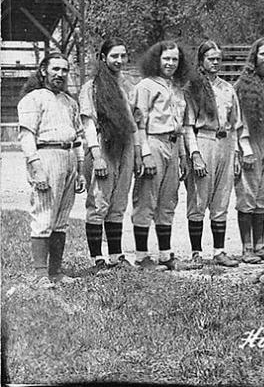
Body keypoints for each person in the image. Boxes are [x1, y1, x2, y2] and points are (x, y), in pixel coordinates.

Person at [18, 53, 87, 288]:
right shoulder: (32, 99)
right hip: (46, 155)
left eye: (64, 70)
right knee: (44, 215)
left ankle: (56, 271)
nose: (60, 74)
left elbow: (78, 137)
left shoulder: (70, 101)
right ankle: (40, 274)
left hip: (68, 156)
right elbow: (27, 136)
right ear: (43, 71)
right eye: (55, 69)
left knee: (61, 218)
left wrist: (80, 170)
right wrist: (36, 167)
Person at [131, 40, 191, 271]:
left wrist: (183, 155)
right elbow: (140, 123)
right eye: (166, 58)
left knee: (168, 201)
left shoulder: (176, 87)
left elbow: (183, 125)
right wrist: (144, 153)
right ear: (156, 59)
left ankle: (165, 254)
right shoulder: (145, 86)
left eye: (175, 59)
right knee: (146, 199)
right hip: (154, 142)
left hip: (174, 144)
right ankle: (141, 255)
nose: (170, 63)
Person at [79, 38, 137, 273]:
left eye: (123, 56)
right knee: (99, 202)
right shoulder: (91, 87)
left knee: (119, 201)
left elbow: (136, 120)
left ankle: (115, 255)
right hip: (103, 146)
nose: (119, 61)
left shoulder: (128, 85)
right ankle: (97, 259)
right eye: (114, 56)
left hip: (125, 145)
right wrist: (97, 155)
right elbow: (88, 123)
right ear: (103, 58)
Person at [183, 41, 242, 267]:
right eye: (210, 59)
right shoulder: (193, 88)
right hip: (203, 139)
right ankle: (196, 252)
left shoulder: (228, 89)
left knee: (221, 198)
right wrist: (195, 154)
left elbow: (235, 124)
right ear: (201, 61)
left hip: (225, 142)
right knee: (198, 199)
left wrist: (236, 154)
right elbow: (188, 125)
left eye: (218, 58)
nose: (215, 62)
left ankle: (219, 251)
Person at [234, 38, 264, 263]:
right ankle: (246, 248)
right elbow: (240, 119)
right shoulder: (244, 85)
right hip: (252, 141)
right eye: (263, 54)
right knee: (248, 194)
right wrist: (245, 148)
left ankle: (260, 245)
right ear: (254, 56)